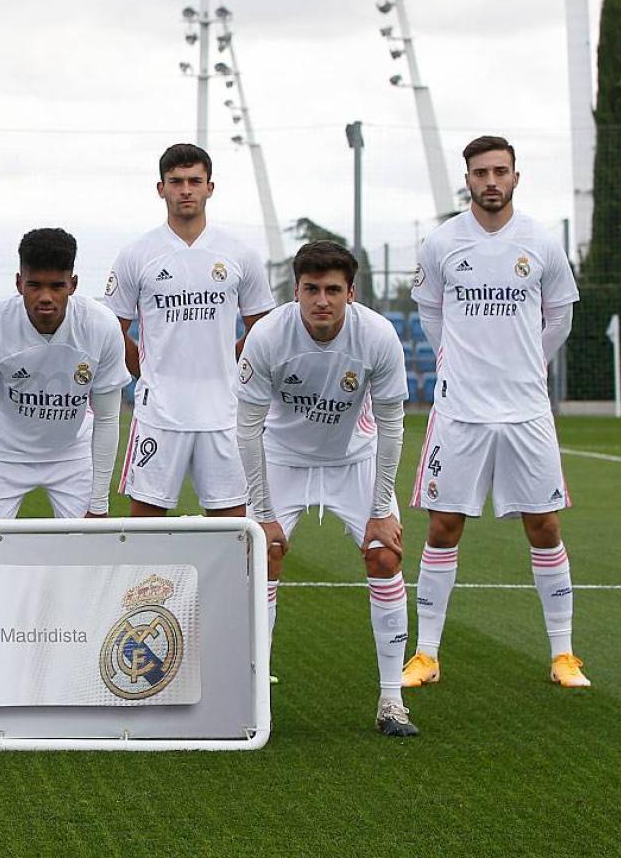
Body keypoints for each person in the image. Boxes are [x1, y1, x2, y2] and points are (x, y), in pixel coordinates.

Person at [403, 135, 588, 689]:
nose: (490, 181)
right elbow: (432, 317)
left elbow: (559, 318)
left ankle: (564, 656)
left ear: (515, 177)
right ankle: (427, 655)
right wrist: (460, 364)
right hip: (460, 411)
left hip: (526, 410)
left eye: (500, 171)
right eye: (480, 172)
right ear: (468, 179)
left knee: (545, 524)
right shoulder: (441, 244)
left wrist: (527, 363)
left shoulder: (541, 244)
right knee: (442, 526)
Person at [236, 241, 416, 736]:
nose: (322, 300)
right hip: (282, 459)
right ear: (295, 291)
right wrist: (265, 513)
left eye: (332, 290)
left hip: (351, 459)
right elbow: (247, 429)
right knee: (262, 555)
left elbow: (392, 426)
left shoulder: (377, 336)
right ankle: (252, 700)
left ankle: (391, 701)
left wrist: (382, 509)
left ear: (350, 294)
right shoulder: (269, 336)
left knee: (384, 554)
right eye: (311, 289)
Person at [104, 143, 275, 517]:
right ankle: (145, 580)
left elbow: (262, 328)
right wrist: (146, 371)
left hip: (225, 411)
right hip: (160, 412)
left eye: (195, 181)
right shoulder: (136, 254)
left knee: (232, 524)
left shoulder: (239, 254)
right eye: (176, 181)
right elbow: (112, 330)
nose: (186, 189)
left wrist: (228, 364)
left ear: (210, 187)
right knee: (145, 523)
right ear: (160, 188)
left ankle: (227, 581)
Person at [0, 228, 129, 520]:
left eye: (57, 286)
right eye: (34, 285)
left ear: (73, 285)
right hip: (4, 453)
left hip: (72, 453)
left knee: (88, 555)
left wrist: (98, 504)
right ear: (18, 283)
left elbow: (107, 417)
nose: (46, 297)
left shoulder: (101, 326)